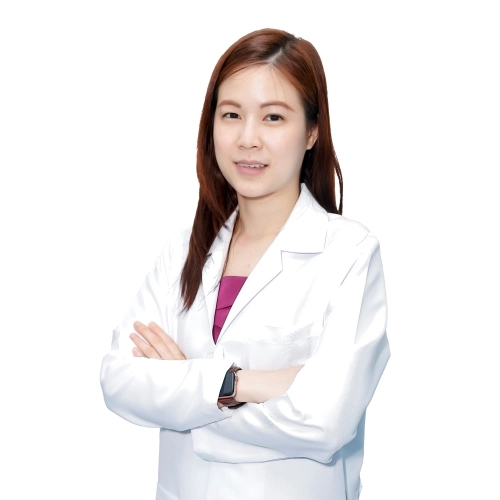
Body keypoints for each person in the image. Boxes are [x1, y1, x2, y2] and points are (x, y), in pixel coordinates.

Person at [100, 27, 390, 500]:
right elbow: (119, 381)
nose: (248, 139)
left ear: (312, 131)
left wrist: (185, 393)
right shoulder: (183, 252)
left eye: (273, 117)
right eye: (231, 114)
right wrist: (240, 384)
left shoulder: (348, 253)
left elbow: (325, 420)